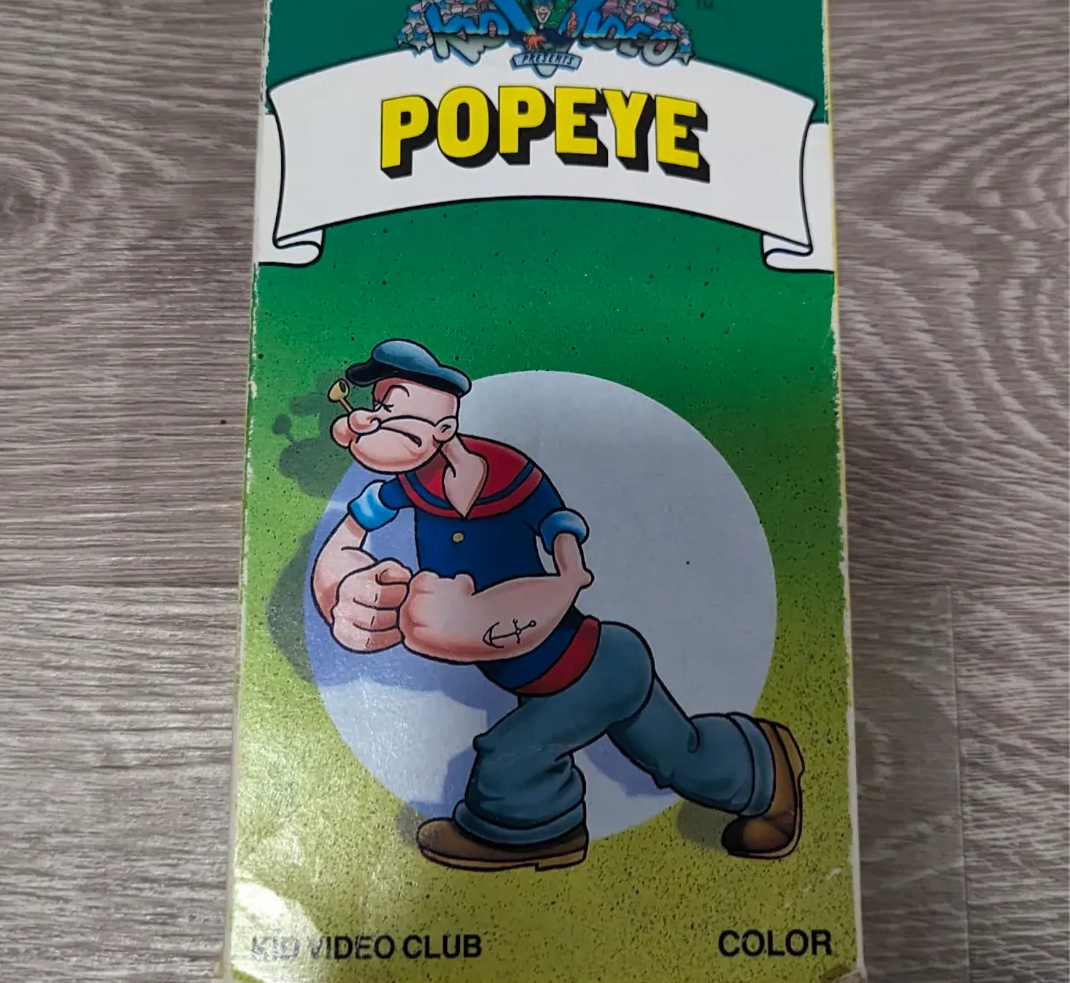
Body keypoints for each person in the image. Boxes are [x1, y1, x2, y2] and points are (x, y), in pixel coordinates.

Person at [312, 339, 804, 872]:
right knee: (677, 754)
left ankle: (533, 833)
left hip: (582, 670)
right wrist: (340, 580)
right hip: (595, 664)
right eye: (377, 405)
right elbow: (357, 525)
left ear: (444, 426)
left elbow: (554, 521)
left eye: (391, 405)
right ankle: (764, 766)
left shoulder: (505, 471)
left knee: (511, 754)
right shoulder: (412, 486)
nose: (370, 418)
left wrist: (568, 574)